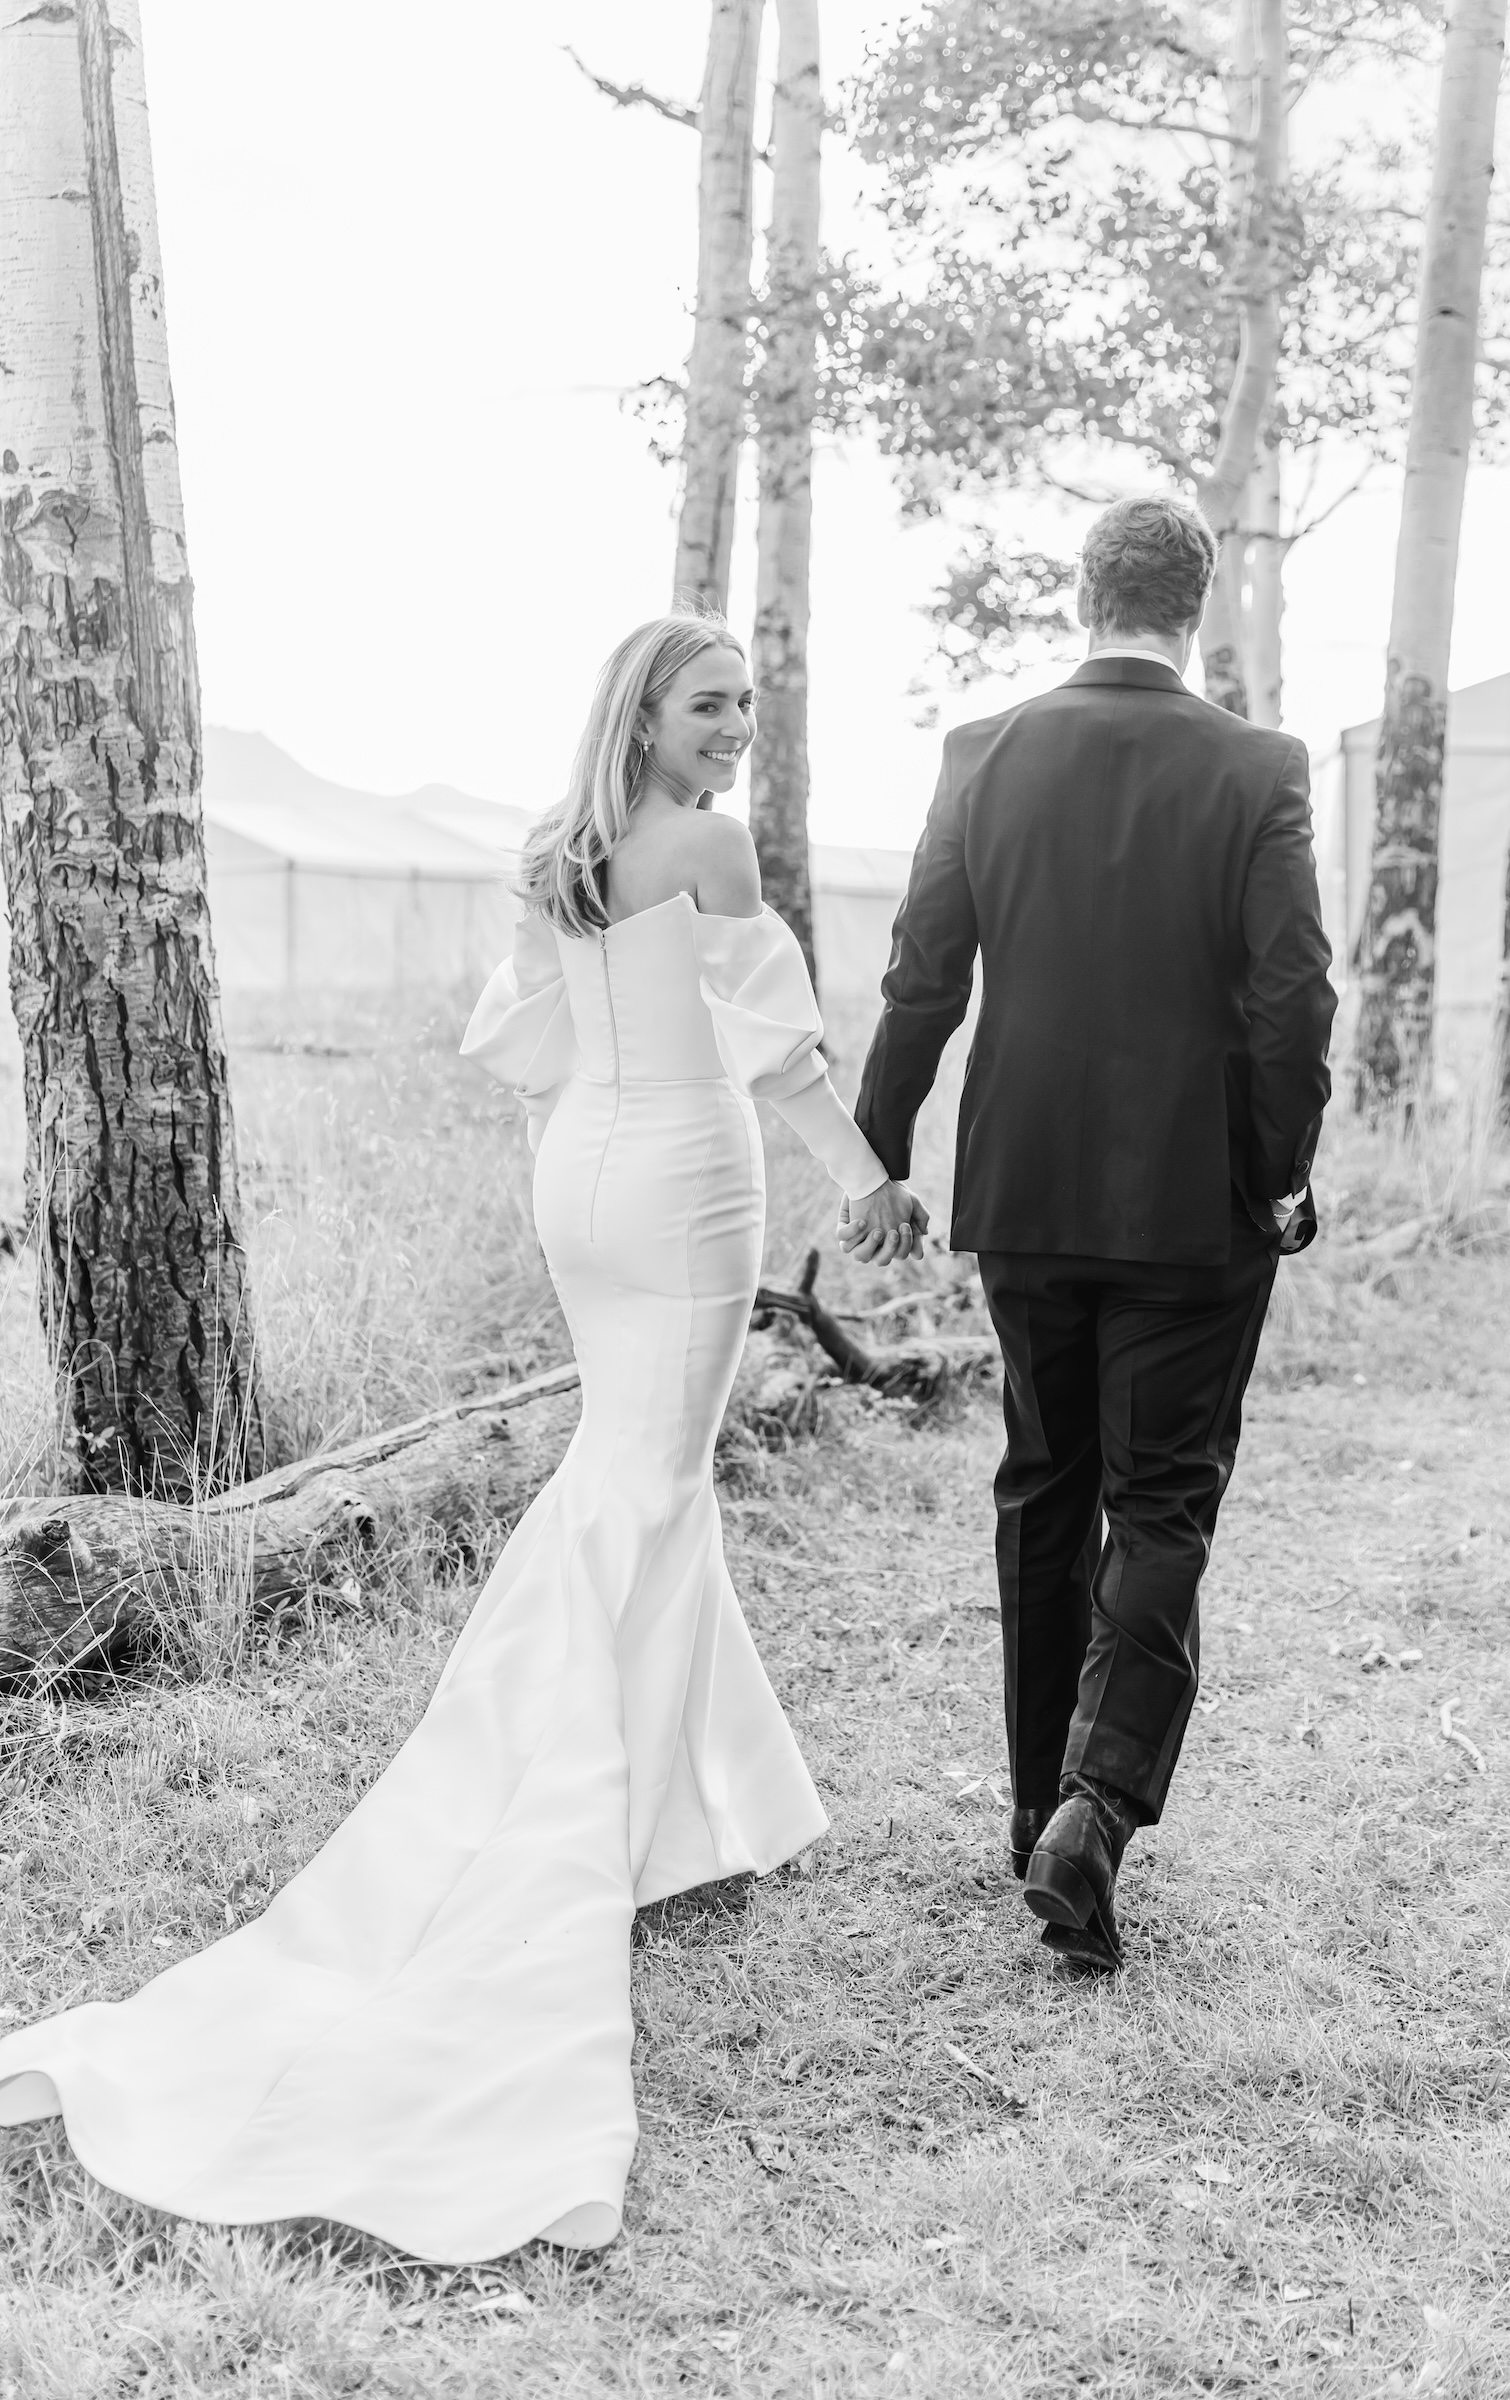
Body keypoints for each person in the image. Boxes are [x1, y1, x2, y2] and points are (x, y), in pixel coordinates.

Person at [0, 611, 926, 2259]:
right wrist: (869, 1188)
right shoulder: (706, 846)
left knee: (635, 1476)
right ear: (644, 713)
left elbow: (524, 1040)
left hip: (579, 1172)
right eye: (711, 705)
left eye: (747, 706)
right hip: (685, 1181)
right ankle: (566, 1793)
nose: (736, 730)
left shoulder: (557, 853)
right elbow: (779, 1057)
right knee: (648, 1479)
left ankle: (711, 1801)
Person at [847, 495, 1337, 1975]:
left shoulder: (983, 754)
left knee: (1041, 1485)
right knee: (1164, 1500)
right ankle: (1098, 1803)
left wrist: (881, 1152)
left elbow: (922, 975)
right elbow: (1291, 999)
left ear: (1084, 594)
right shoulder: (1257, 764)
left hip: (1029, 1191)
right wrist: (1279, 1172)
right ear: (1199, 604)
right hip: (1197, 1207)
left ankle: (1027, 1810)